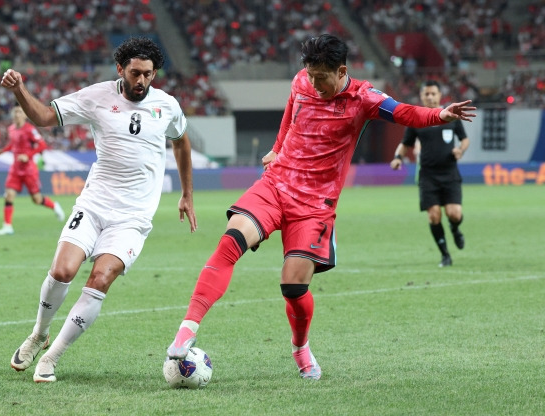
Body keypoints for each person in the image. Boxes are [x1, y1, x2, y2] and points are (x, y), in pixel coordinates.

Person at [166, 34, 476, 380]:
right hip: (276, 184)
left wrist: (439, 114)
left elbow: (404, 112)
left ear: (341, 71)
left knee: (294, 288)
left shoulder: (363, 97)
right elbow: (290, 111)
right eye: (309, 75)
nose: (313, 83)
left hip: (315, 205)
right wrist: (278, 146)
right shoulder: (302, 81)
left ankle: (300, 347)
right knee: (230, 241)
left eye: (321, 78)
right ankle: (187, 329)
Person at [1, 37, 197, 382]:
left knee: (101, 278)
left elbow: (181, 141)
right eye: (135, 73)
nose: (141, 81)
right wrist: (20, 90)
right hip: (94, 204)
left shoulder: (167, 105)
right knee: (62, 271)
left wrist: (187, 194)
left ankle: (52, 356)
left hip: (133, 218)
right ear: (120, 69)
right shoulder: (97, 96)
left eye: (148, 75)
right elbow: (46, 116)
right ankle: (39, 333)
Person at [390, 80, 469, 268]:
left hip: (449, 173)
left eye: (433, 93)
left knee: (454, 214)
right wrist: (397, 157)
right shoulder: (416, 119)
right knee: (434, 216)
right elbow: (406, 143)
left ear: (440, 95)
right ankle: (445, 255)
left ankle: (455, 229)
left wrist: (460, 150)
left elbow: (464, 140)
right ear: (422, 96)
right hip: (428, 175)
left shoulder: (451, 116)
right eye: (427, 94)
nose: (430, 97)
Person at [0, 106, 65, 235]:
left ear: (25, 115)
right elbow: (13, 144)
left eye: (20, 112)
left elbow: (42, 145)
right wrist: (3, 150)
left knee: (37, 199)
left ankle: (54, 206)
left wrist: (28, 155)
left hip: (28, 170)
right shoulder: (11, 129)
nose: (17, 114)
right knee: (9, 195)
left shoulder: (30, 130)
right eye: (15, 112)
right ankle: (7, 226)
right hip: (15, 169)